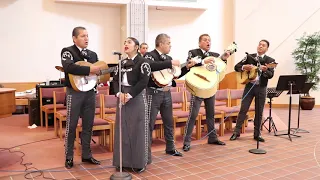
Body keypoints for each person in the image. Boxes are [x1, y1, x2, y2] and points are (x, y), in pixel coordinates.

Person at [144, 33, 195, 163]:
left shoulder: (168, 57)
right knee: (149, 123)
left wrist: (187, 68)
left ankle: (170, 148)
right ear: (161, 44)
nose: (170, 46)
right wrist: (169, 62)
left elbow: (174, 75)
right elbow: (150, 66)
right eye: (168, 44)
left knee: (168, 122)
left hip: (166, 92)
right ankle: (146, 153)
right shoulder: (150, 55)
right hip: (153, 93)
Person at [61, 26, 101, 169]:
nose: (86, 38)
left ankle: (86, 155)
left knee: (88, 125)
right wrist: (89, 69)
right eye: (83, 36)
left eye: (87, 36)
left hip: (90, 93)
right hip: (75, 93)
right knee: (71, 126)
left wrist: (100, 74)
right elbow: (69, 67)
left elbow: (97, 72)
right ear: (74, 38)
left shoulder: (93, 55)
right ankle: (69, 157)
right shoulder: (68, 51)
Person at [182, 34, 230, 152]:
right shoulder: (193, 52)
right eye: (205, 40)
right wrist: (203, 61)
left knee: (211, 114)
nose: (208, 42)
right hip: (198, 88)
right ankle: (187, 141)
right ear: (199, 43)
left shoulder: (215, 55)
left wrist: (224, 58)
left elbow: (220, 68)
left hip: (210, 88)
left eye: (209, 40)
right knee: (193, 115)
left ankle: (212, 138)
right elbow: (190, 62)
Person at [230, 39, 275, 142]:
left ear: (267, 48)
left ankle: (257, 134)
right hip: (249, 87)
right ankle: (236, 133)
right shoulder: (249, 57)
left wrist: (265, 70)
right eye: (259, 44)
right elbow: (236, 67)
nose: (260, 46)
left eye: (263, 45)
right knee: (243, 109)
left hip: (261, 88)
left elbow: (270, 75)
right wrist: (244, 67)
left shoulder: (270, 60)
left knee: (259, 112)